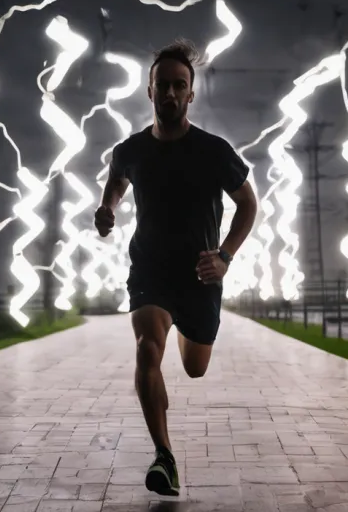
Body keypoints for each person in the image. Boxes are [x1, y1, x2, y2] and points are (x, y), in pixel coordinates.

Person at [93, 39, 258, 497]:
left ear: (190, 95)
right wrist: (107, 209)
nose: (169, 93)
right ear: (149, 91)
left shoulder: (213, 151)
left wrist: (224, 256)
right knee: (148, 348)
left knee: (194, 368)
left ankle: (189, 329)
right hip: (149, 271)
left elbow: (248, 204)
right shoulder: (129, 150)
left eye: (178, 86)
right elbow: (116, 184)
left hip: (200, 277)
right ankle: (164, 456)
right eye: (162, 85)